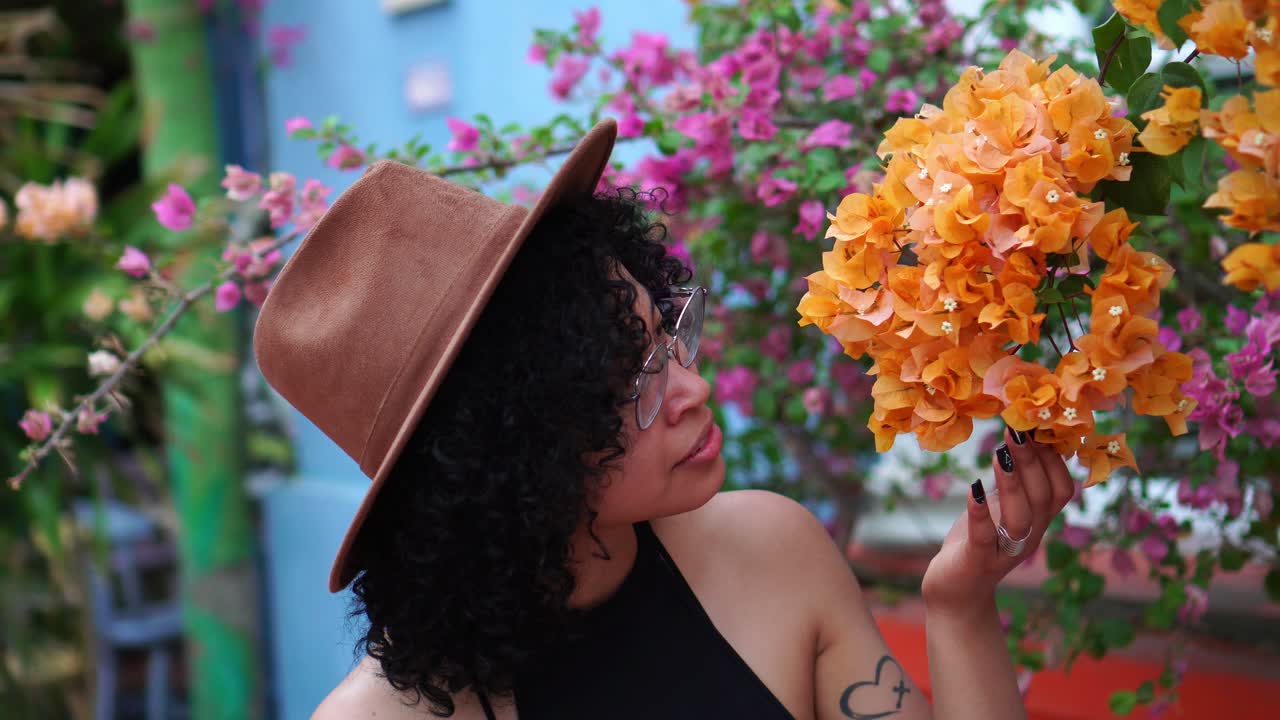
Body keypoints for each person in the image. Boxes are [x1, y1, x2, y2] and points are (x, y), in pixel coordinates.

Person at [254, 119, 1074, 720]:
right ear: (501, 458)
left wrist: (960, 607)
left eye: (664, 336)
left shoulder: (773, 552)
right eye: (624, 385)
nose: (692, 389)